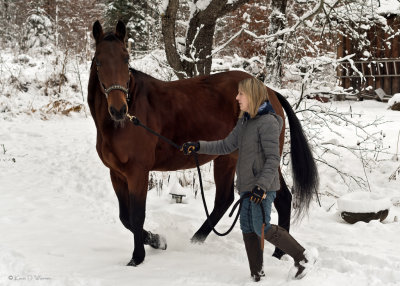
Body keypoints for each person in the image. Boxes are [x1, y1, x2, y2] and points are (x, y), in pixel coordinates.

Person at [182, 77, 315, 282]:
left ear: (252, 96)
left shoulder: (268, 122)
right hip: (247, 187)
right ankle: (257, 274)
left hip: (262, 187)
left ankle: (303, 257)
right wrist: (198, 146)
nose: (236, 98)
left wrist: (261, 186)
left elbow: (273, 158)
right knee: (248, 227)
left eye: (241, 94)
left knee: (262, 227)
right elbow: (226, 146)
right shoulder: (244, 121)